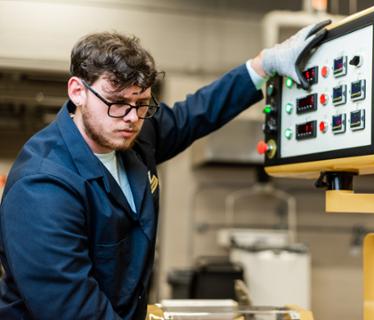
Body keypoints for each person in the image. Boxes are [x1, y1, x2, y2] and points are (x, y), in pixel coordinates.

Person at [0, 23, 325, 319]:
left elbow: (195, 114)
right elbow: (75, 311)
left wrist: (262, 65)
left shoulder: (132, 134)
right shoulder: (42, 187)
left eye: (141, 103)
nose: (131, 118)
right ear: (78, 91)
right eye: (117, 102)